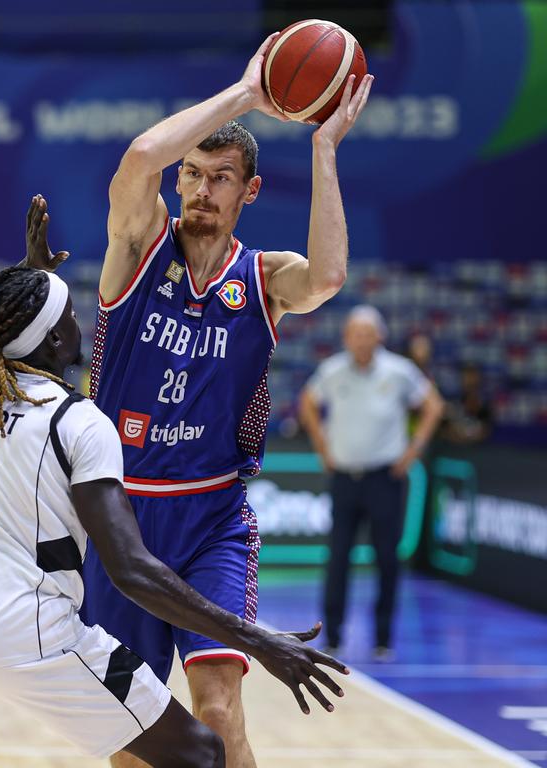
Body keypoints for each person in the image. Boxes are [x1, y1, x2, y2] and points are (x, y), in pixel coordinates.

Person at [0, 197, 347, 768]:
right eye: (65, 316)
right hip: (28, 629)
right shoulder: (79, 420)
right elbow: (132, 569)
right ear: (57, 344)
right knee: (202, 754)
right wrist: (258, 639)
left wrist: (24, 278)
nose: (77, 322)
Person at [79, 33, 374, 768]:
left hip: (212, 518)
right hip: (120, 521)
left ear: (249, 191)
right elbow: (139, 160)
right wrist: (249, 92)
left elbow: (330, 277)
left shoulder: (263, 277)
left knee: (218, 709)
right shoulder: (139, 246)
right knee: (134, 741)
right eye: (193, 175)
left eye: (220, 178)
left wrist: (324, 148)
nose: (201, 191)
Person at [298, 305, 444, 659]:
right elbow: (306, 402)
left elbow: (433, 406)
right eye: (355, 334)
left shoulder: (399, 371)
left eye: (368, 334)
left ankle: (382, 639)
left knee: (387, 560)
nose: (362, 341)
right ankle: (332, 636)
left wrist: (413, 451)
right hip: (345, 478)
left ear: (380, 336)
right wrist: (321, 446)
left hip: (385, 479)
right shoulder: (332, 371)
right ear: (346, 337)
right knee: (338, 559)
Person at [442, 362, 493, 444]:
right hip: (454, 450)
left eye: (472, 376)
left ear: (478, 379)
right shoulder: (453, 405)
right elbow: (445, 431)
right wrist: (459, 437)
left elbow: (488, 432)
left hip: (479, 452)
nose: (470, 381)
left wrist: (471, 437)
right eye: (466, 377)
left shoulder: (485, 406)